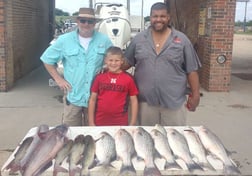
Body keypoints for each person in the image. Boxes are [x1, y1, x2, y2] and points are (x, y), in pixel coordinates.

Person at [124, 2, 202, 126]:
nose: (158, 19)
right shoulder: (139, 39)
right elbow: (126, 63)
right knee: (147, 140)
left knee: (175, 141)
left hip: (174, 103)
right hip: (145, 103)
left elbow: (191, 70)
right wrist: (108, 69)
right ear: (150, 17)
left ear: (168, 17)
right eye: (155, 16)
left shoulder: (182, 40)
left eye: (162, 16)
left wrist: (196, 95)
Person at [40, 8, 113, 126]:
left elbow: (113, 60)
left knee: (94, 132)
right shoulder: (64, 40)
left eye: (90, 21)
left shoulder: (104, 40)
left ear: (95, 23)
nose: (86, 24)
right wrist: (58, 79)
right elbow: (47, 59)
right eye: (83, 20)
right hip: (73, 96)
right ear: (78, 21)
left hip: (95, 97)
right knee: (71, 132)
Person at [88, 46, 139, 126]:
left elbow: (134, 101)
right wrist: (91, 122)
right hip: (100, 121)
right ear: (105, 61)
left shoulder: (128, 79)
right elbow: (92, 100)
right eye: (110, 60)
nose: (113, 63)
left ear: (122, 61)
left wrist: (132, 122)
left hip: (120, 122)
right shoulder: (99, 78)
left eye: (117, 60)